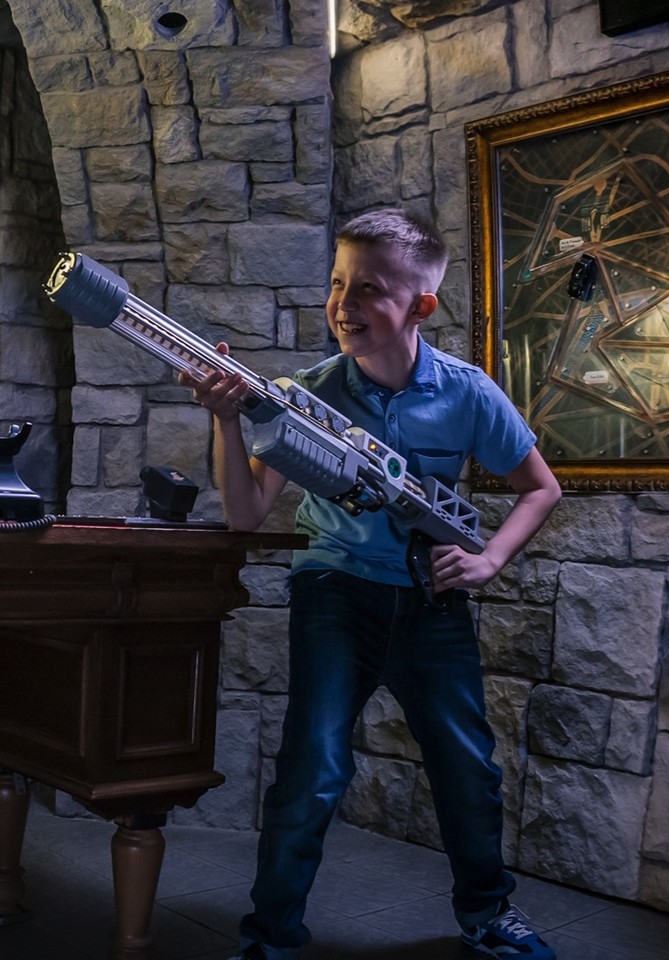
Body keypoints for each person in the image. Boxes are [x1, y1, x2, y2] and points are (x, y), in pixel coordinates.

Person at [183, 209, 562, 960]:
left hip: (432, 600)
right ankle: (270, 938)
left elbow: (540, 488)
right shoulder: (305, 395)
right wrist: (226, 422)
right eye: (337, 283)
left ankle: (487, 913)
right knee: (312, 768)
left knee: (467, 767)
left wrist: (488, 560)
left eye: (369, 289)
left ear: (422, 305)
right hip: (335, 592)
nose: (344, 304)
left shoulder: (468, 392)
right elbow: (245, 513)